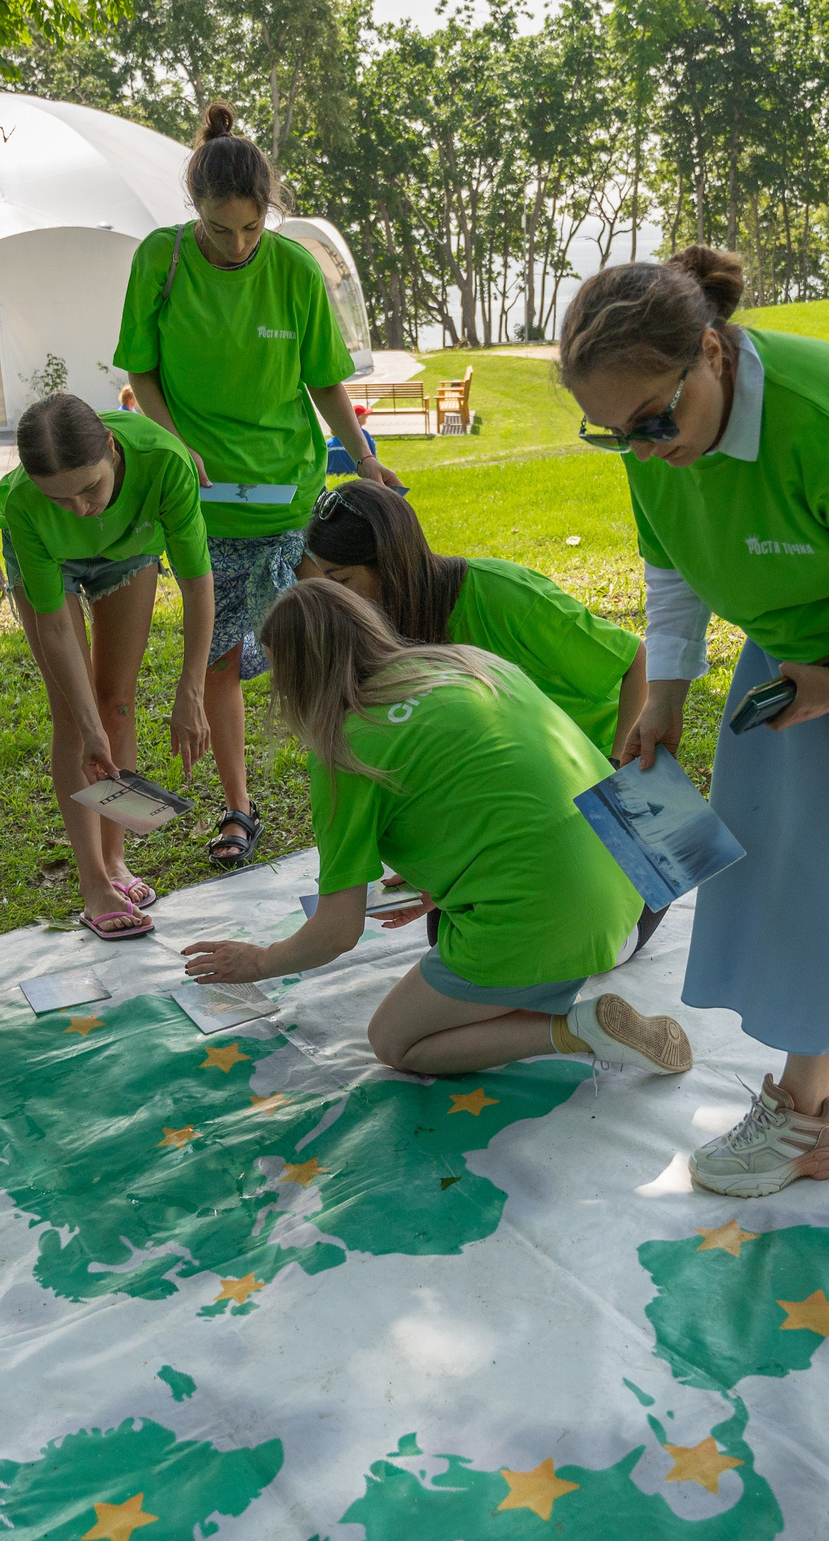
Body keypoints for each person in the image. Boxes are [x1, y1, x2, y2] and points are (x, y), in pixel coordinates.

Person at [554, 248, 829, 1200]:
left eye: (653, 422)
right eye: (612, 436)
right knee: (770, 836)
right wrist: (666, 695)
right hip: (791, 632)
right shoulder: (656, 435)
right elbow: (672, 566)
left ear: (712, 353)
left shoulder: (824, 415)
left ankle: (810, 1119)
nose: (641, 448)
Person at [182, 580, 693, 1078]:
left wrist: (258, 962)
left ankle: (576, 1029)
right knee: (446, 936)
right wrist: (448, 881)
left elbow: (336, 932)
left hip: (568, 916)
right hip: (646, 879)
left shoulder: (344, 750)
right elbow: (513, 788)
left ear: (295, 677)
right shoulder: (467, 663)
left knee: (396, 1042)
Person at [116, 98, 400, 871]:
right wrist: (175, 445)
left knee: (331, 640)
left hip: (291, 490)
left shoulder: (295, 268)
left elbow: (326, 384)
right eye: (219, 228)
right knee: (219, 654)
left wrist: (365, 463)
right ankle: (239, 807)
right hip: (202, 500)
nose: (237, 244)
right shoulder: (160, 259)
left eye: (251, 227)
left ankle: (368, 787)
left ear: (268, 213)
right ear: (194, 209)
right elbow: (139, 367)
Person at [0, 391, 215, 941]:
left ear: (113, 451)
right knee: (76, 719)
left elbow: (197, 584)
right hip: (50, 564)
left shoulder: (165, 463)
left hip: (130, 552)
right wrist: (89, 730)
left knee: (117, 702)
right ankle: (94, 881)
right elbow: (54, 628)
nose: (80, 508)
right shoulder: (25, 504)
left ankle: (117, 860)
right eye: (60, 498)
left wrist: (191, 691)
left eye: (90, 488)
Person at [298, 478, 644, 761]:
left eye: (342, 582)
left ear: (389, 563)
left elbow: (636, 662)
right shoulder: (379, 624)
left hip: (590, 756)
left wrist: (618, 770)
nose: (336, 600)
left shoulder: (502, 592)